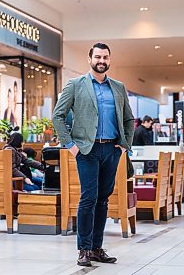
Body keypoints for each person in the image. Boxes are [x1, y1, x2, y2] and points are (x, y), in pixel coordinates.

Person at [52, 42, 134, 267]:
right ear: (89, 59)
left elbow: (128, 119)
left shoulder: (118, 87)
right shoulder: (75, 85)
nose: (102, 61)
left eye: (105, 57)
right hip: (86, 150)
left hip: (112, 149)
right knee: (89, 197)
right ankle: (84, 249)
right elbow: (58, 116)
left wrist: (125, 145)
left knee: (103, 200)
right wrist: (70, 145)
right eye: (98, 57)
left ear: (109, 60)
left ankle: (97, 248)